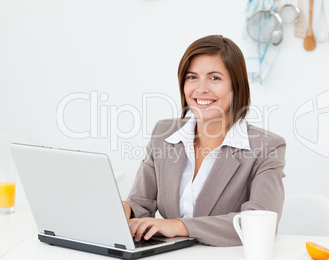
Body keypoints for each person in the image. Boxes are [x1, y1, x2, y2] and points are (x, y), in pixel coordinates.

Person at [122, 35, 286, 246]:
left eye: (214, 78)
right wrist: (120, 210)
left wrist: (180, 226)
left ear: (236, 86)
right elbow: (140, 203)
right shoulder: (164, 133)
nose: (201, 89)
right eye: (192, 77)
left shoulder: (266, 147)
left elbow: (261, 223)